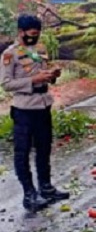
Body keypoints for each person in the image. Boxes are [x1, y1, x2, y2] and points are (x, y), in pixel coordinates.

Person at [1, 15, 70, 212]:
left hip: (42, 105)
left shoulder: (34, 53)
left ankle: (46, 187)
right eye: (31, 34)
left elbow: (42, 77)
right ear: (21, 32)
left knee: (44, 148)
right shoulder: (10, 55)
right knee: (22, 152)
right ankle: (29, 194)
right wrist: (33, 80)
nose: (35, 38)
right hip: (24, 109)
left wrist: (51, 76)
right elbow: (6, 84)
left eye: (37, 35)